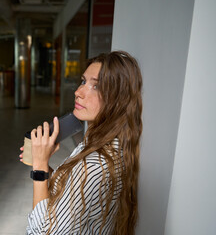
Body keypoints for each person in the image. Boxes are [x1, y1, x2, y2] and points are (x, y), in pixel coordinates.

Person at [19, 50, 143, 234]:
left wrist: (39, 168)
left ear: (118, 100)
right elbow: (71, 192)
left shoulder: (92, 166)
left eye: (97, 86)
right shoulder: (109, 145)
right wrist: (44, 163)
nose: (78, 92)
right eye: (84, 82)